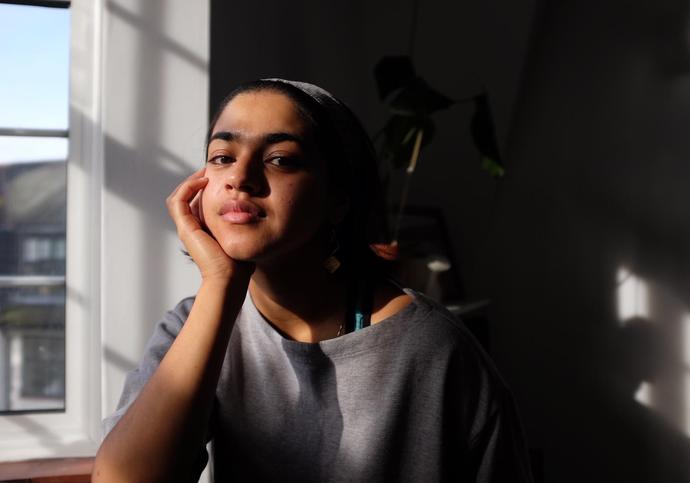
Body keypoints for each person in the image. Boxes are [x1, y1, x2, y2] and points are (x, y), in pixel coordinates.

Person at [92, 79, 533, 482]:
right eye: (222, 157)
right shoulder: (194, 322)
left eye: (280, 159)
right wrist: (222, 284)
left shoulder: (432, 348)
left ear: (339, 198)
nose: (240, 179)